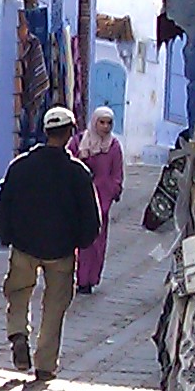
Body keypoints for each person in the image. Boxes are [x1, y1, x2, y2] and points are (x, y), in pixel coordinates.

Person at [0, 103, 102, 380]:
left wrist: (8, 235)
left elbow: (3, 205)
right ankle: (45, 364)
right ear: (69, 134)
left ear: (45, 132)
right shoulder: (78, 173)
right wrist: (78, 241)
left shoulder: (20, 167)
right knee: (55, 306)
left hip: (24, 246)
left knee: (18, 293)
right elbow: (91, 219)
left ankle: (18, 332)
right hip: (61, 251)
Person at [75, 105, 126, 294]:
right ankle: (78, 277)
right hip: (79, 199)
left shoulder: (113, 147)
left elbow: (117, 174)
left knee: (96, 243)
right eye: (101, 122)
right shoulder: (80, 142)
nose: (105, 127)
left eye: (108, 123)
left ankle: (89, 279)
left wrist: (112, 191)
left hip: (101, 201)